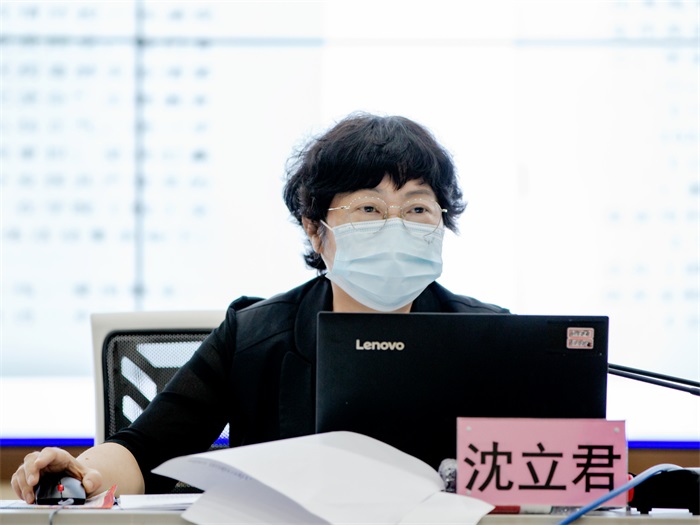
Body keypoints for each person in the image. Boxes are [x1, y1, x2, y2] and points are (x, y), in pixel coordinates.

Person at [12, 112, 508, 502]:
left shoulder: (491, 339)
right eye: (369, 209)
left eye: (417, 208)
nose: (395, 226)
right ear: (315, 228)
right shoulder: (252, 336)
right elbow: (144, 451)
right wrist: (81, 472)